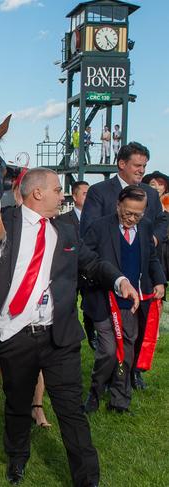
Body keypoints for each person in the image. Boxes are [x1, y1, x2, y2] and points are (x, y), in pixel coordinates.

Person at [0, 167, 139, 486]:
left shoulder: (67, 229)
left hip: (59, 336)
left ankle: (87, 478)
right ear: (37, 194)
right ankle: (17, 459)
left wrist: (120, 280)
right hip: (15, 334)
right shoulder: (5, 221)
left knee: (71, 410)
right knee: (17, 405)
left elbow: (92, 262)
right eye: (58, 190)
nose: (63, 196)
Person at [80, 142, 168, 390]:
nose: (142, 171)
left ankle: (132, 373)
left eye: (144, 166)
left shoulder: (150, 194)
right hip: (109, 273)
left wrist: (153, 237)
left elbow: (162, 221)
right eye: (137, 165)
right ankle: (107, 379)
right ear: (122, 164)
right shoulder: (100, 192)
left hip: (141, 273)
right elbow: (89, 229)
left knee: (138, 328)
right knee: (111, 332)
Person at [0, 167, 51, 429]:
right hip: (10, 308)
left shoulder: (54, 225)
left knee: (41, 358)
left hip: (41, 310)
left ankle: (37, 406)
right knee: (2, 352)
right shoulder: (4, 220)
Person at [58, 181, 97, 349]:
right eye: (84, 194)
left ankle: (92, 333)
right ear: (74, 197)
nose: (88, 197)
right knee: (69, 303)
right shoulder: (62, 220)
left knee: (91, 302)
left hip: (89, 269)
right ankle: (69, 333)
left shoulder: (97, 219)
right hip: (70, 271)